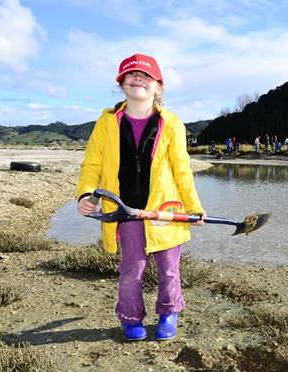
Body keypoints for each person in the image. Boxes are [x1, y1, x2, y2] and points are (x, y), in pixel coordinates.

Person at [76, 53, 206, 342]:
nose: (138, 79)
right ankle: (131, 317)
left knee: (169, 270)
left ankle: (169, 312)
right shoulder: (107, 122)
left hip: (165, 211)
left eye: (146, 76)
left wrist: (194, 208)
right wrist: (87, 193)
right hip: (125, 212)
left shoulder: (171, 123)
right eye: (131, 75)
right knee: (131, 270)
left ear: (158, 86)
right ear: (121, 84)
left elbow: (182, 169)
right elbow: (92, 163)